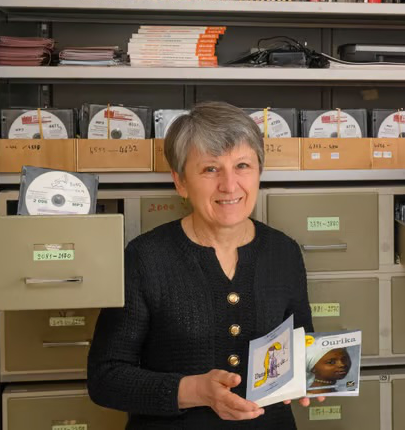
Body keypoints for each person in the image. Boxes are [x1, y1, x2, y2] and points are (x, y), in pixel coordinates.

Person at [88, 101, 319, 429]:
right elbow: (105, 378)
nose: (229, 185)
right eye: (210, 169)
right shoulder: (145, 258)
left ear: (259, 172)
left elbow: (300, 340)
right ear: (181, 182)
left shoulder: (284, 251)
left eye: (242, 165)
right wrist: (194, 390)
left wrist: (313, 373)